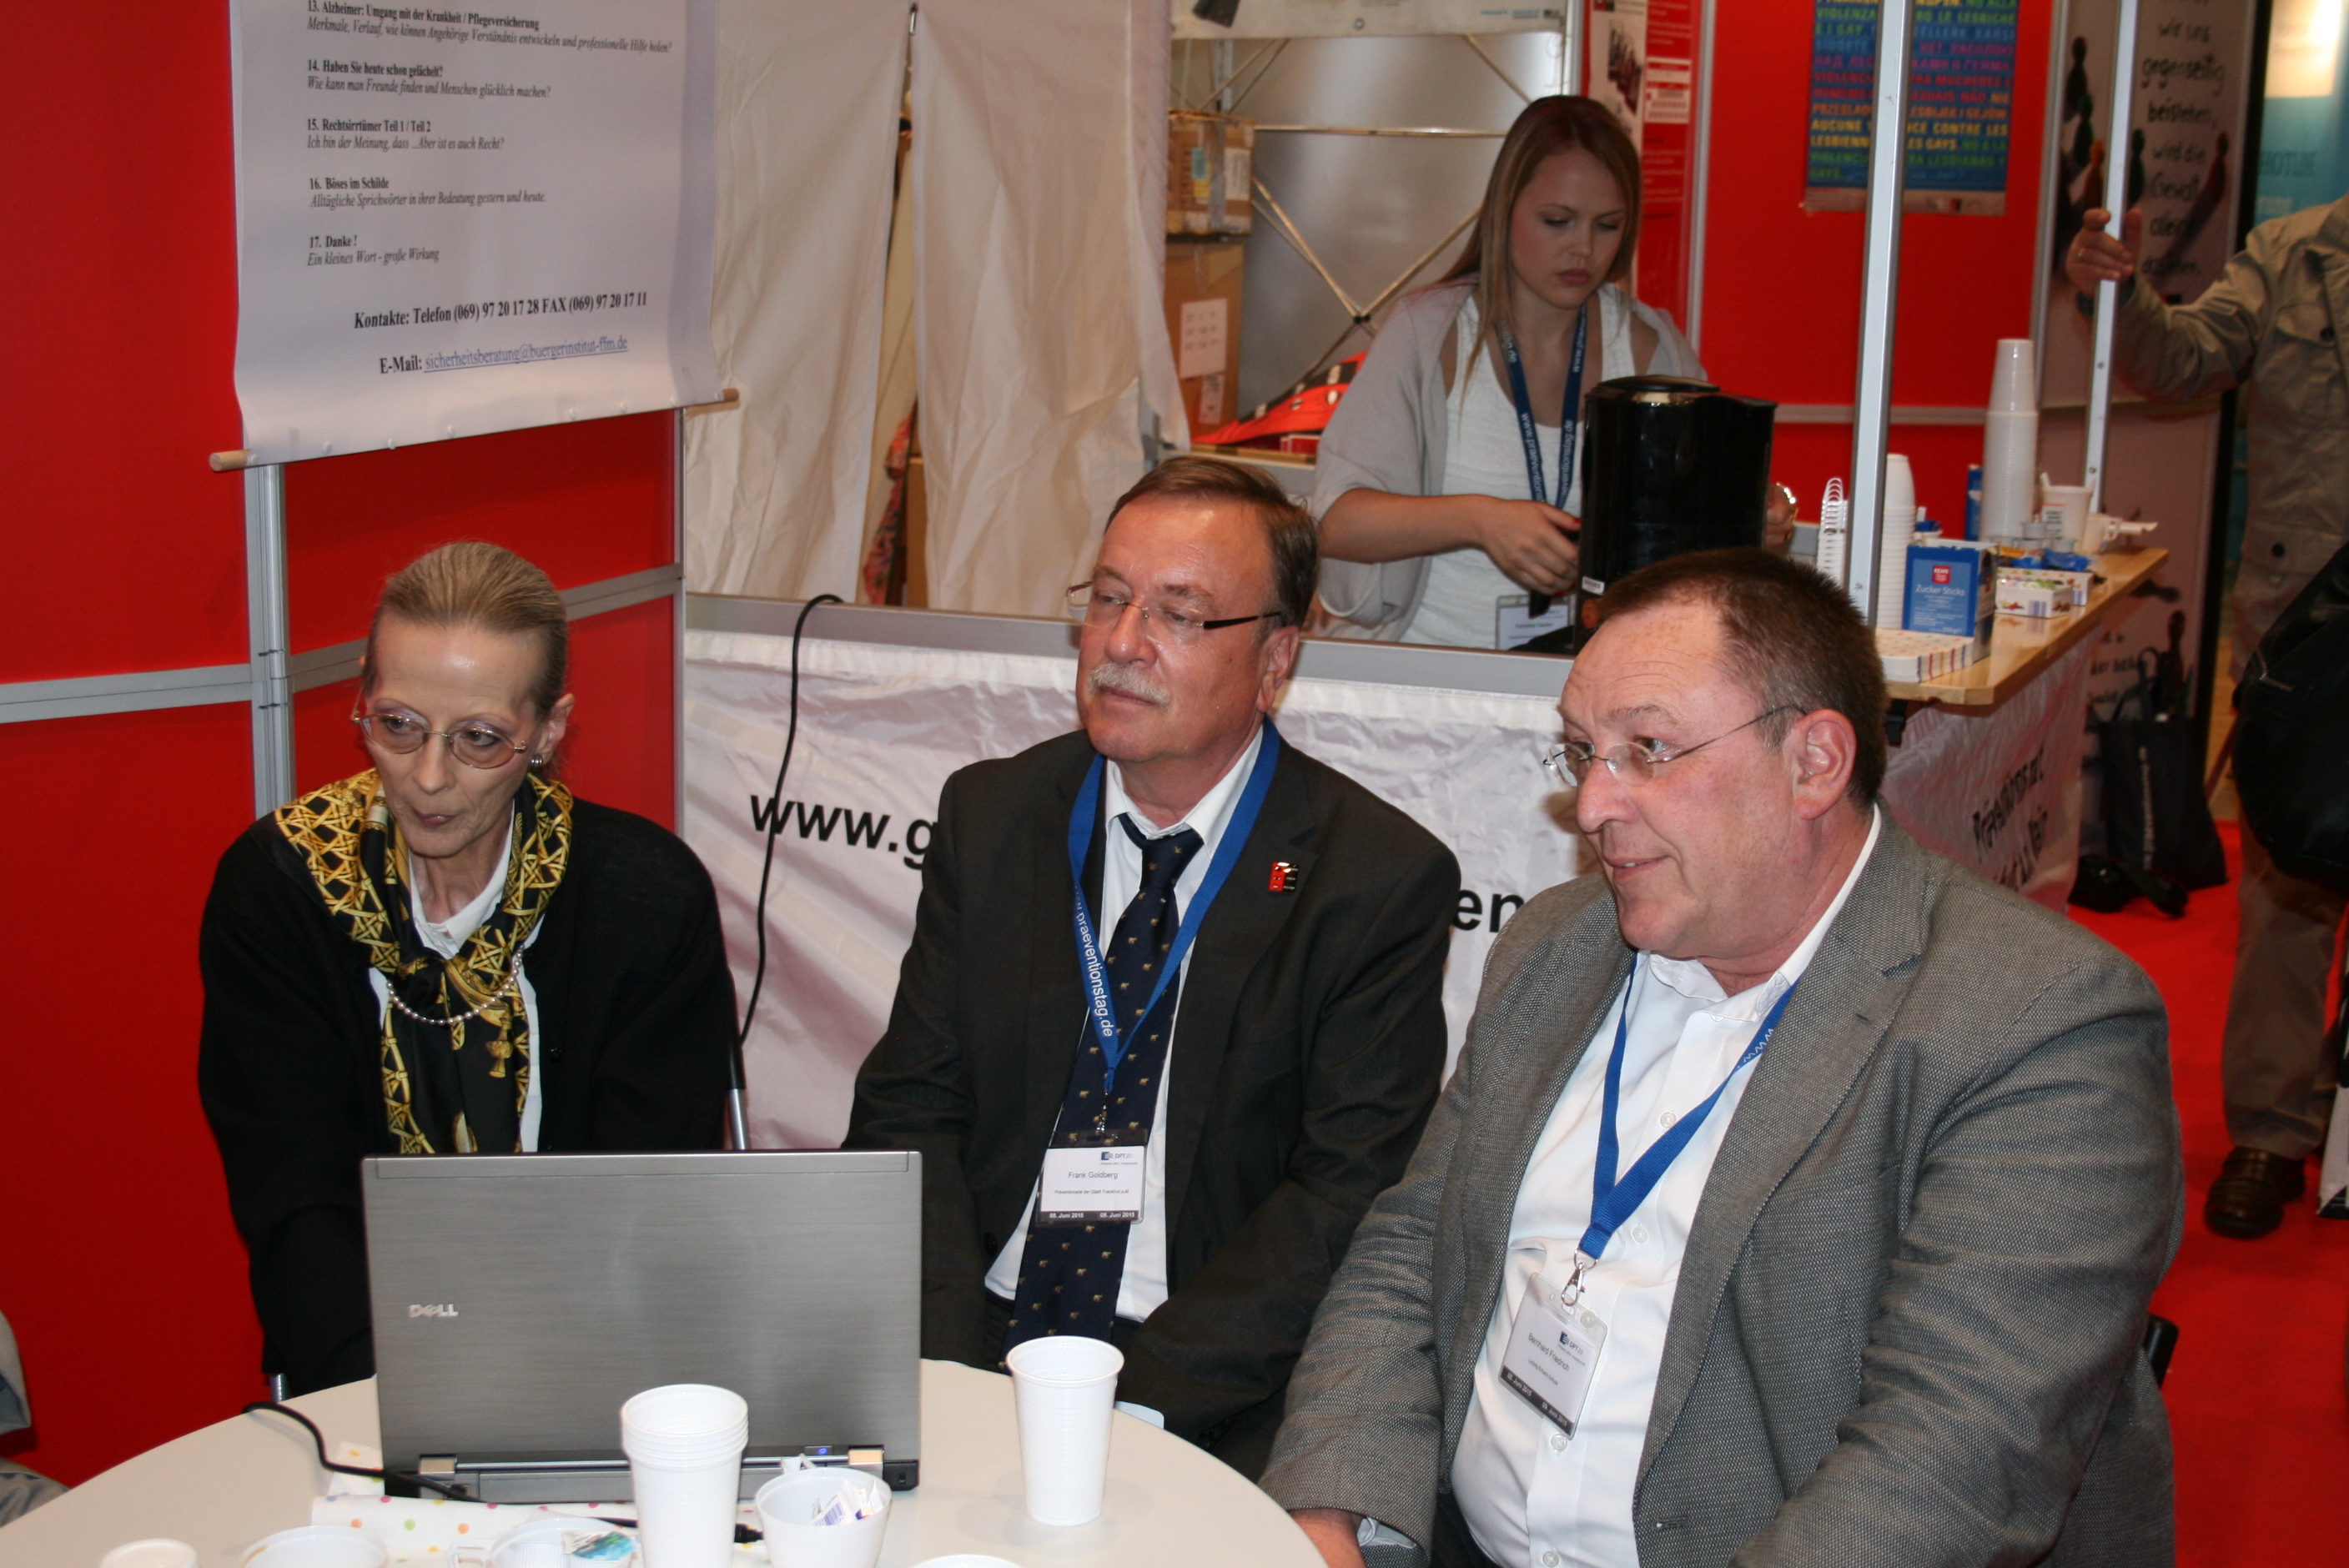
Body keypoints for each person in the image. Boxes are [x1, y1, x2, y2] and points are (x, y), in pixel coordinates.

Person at [1264, 549, 2181, 1566]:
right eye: (1583, 752)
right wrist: (1335, 1504)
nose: (1593, 803)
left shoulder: (2035, 1022)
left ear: (1813, 761)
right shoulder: (1558, 943)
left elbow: (1948, 1463)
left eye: (1648, 749)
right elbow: (1412, 1244)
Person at [846, 455, 1461, 1478]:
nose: (1121, 643)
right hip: (976, 1322)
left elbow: (1342, 1193)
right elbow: (911, 1108)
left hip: (1202, 1370)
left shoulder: (1371, 879)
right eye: (1107, 598)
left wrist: (1131, 1406)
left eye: (1178, 613)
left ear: (1274, 659)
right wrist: (946, 1370)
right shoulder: (994, 816)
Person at [199, 542, 738, 1395]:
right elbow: (296, 1200)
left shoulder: (643, 898)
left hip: (601, 1359)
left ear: (549, 730)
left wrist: (553, 1396)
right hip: (359, 1370)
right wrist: (385, 1409)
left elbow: (644, 1203)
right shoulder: (282, 886)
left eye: (480, 739)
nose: (427, 777)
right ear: (362, 697)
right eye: (397, 724)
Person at [2070, 199, 2349, 1239]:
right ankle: (2270, 1129)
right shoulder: (2294, 254)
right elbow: (2182, 362)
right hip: (2306, 629)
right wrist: (2118, 292)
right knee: (2290, 878)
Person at [1310, 95, 1789, 647]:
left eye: (1607, 226)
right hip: (1426, 673)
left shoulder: (1649, 346)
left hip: (1590, 678)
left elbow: (1701, 534)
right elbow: (1335, 522)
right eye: (1557, 222)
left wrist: (1761, 518)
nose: (1583, 249)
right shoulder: (1428, 332)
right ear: (1503, 211)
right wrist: (1480, 521)